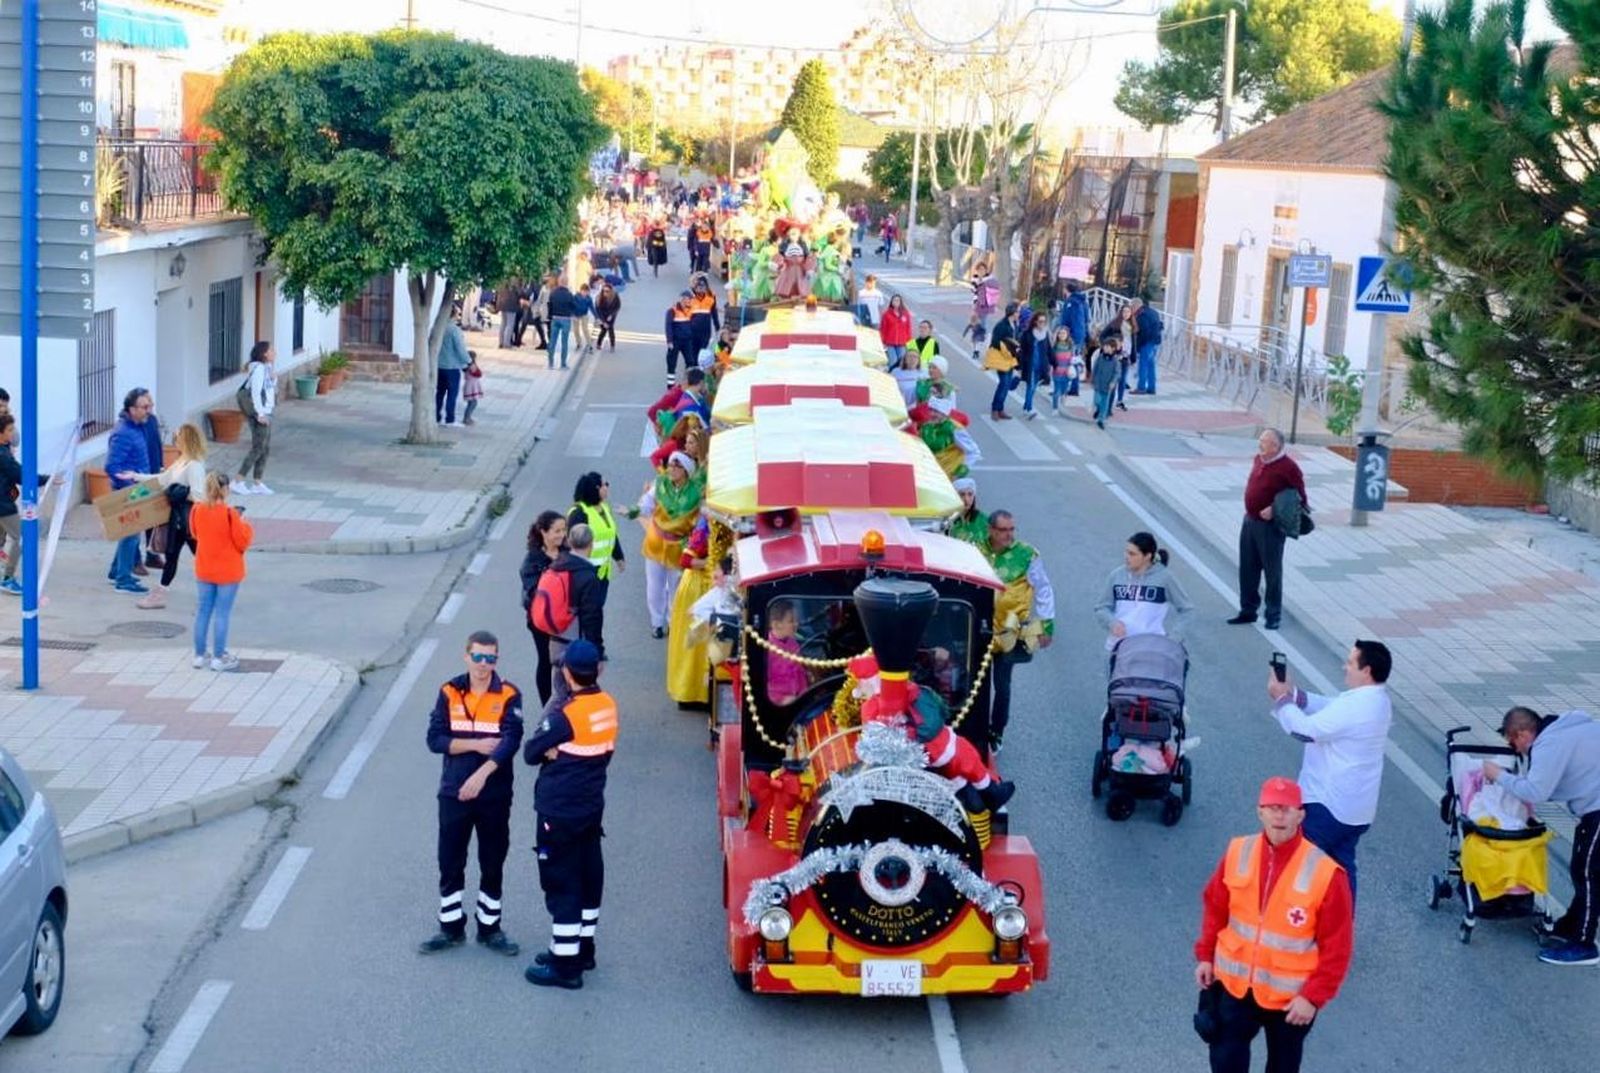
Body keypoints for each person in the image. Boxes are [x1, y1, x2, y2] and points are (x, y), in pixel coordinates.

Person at [1194, 776, 1353, 1073]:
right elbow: (1215, 906)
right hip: (1235, 987)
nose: (1279, 815)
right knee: (1225, 1062)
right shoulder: (1238, 851)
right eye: (1272, 807)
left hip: (1290, 1000)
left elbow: (1338, 946)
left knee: (1283, 1066)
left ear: (1301, 814)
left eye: (1287, 808)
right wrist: (1206, 956)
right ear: (1260, 812)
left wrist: (1313, 998)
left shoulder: (1327, 873)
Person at [419, 630, 524, 958]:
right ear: (466, 656)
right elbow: (434, 739)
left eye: (490, 658)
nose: (483, 664)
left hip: (493, 794)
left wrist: (481, 774)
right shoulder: (449, 691)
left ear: (497, 660)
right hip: (454, 792)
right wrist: (475, 745)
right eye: (477, 657)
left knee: (492, 861)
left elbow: (511, 740)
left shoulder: (508, 694)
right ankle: (450, 928)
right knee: (450, 861)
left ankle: (490, 929)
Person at [521, 638, 616, 989]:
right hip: (590, 807)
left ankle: (565, 966)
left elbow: (531, 752)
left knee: (561, 883)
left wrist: (552, 751)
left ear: (567, 672)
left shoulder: (565, 715)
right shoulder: (607, 704)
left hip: (558, 810)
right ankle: (582, 950)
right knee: (589, 878)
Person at [1266, 640, 1394, 899]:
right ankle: (1342, 927)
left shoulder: (1357, 706)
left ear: (1367, 671)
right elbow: (1331, 708)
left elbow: (1305, 731)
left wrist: (1282, 700)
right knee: (1343, 869)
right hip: (1356, 811)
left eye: (1350, 662)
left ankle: (1292, 922)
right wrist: (1296, 696)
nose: (1344, 666)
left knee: (1298, 864)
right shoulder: (1377, 700)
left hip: (1328, 807)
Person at [1483, 706, 1600, 966]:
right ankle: (1571, 925)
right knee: (1582, 868)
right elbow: (1556, 781)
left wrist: (1498, 775)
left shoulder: (1550, 744)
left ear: (1522, 734)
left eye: (1513, 742)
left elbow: (1536, 791)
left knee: (1589, 874)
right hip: (1592, 806)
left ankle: (1584, 944)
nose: (1516, 749)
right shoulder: (1566, 727)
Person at [116, 422, 208, 611]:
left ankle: (211, 591)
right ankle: (162, 593)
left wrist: (178, 493)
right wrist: (135, 476)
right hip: (176, 518)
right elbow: (161, 479)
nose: (175, 441)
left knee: (198, 555)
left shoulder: (194, 465)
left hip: (188, 519)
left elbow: (199, 495)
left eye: (178, 437)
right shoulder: (182, 462)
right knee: (175, 555)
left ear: (187, 440)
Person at [984, 509, 1054, 751]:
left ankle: (997, 732)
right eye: (1003, 530)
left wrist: (1046, 623)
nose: (1009, 535)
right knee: (975, 684)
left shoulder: (1027, 554)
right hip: (979, 630)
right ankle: (973, 728)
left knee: (1002, 686)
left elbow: (1043, 588)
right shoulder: (975, 550)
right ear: (991, 530)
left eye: (1012, 529)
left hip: (1009, 633)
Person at [1229, 428, 1308, 630]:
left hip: (1270, 528)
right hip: (1250, 521)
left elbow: (1300, 499)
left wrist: (1274, 509)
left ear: (1276, 446)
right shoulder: (1259, 459)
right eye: (1260, 440)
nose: (1260, 444)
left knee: (1272, 573)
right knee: (1247, 568)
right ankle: (1248, 610)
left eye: (1264, 441)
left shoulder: (1289, 468)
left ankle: (1273, 615)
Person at [188, 471, 253, 672]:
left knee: (203, 611)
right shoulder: (229, 513)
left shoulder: (196, 510)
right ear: (225, 490)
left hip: (204, 567)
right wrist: (245, 524)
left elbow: (195, 534)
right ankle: (218, 657)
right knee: (222, 614)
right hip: (228, 570)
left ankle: (199, 655)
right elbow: (242, 541)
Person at [638, 452, 704, 640]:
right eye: (670, 465)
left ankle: (673, 621)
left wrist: (694, 542)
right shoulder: (660, 483)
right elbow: (646, 503)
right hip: (656, 542)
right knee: (655, 586)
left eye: (677, 466)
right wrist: (637, 511)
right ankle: (657, 623)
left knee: (675, 586)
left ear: (686, 471)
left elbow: (699, 520)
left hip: (679, 544)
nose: (672, 469)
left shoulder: (695, 493)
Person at [1095, 532, 1193, 651]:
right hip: (1118, 649)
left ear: (1147, 556)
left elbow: (1187, 610)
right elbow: (1102, 607)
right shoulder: (1117, 576)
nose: (1126, 556)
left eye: (1132, 554)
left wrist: (1174, 638)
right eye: (1126, 551)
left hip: (1151, 650)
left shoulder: (1165, 578)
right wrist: (1112, 623)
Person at [545, 524, 608, 697]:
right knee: (578, 694)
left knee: (558, 691)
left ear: (569, 542)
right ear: (591, 544)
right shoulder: (587, 576)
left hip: (555, 639)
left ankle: (548, 721)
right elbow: (592, 617)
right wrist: (598, 652)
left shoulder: (557, 565)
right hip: (577, 645)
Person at [105, 388, 155, 594]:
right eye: (144, 407)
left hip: (138, 488)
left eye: (150, 406)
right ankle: (123, 579)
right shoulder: (124, 433)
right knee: (131, 536)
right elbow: (111, 466)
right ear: (132, 409)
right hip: (129, 491)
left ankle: (117, 571)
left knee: (129, 534)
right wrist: (131, 488)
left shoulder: (136, 427)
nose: (149, 411)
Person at [520, 511, 567, 707]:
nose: (561, 535)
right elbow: (532, 592)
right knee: (546, 660)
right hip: (542, 621)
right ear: (543, 532)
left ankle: (566, 701)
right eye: (556, 531)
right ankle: (547, 707)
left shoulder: (566, 552)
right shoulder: (533, 560)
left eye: (563, 530)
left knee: (566, 661)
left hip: (565, 619)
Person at [568, 472, 624, 605]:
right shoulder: (579, 513)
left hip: (603, 572)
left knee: (597, 609)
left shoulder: (604, 507)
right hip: (585, 572)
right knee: (588, 611)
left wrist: (619, 557)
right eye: (605, 484)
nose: (607, 487)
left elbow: (611, 534)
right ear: (596, 488)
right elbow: (573, 545)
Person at [988, 303, 1021, 421]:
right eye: (1018, 311)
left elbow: (1016, 339)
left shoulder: (1015, 325)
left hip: (1011, 358)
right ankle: (995, 409)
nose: (1019, 314)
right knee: (1004, 383)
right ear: (1012, 312)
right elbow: (995, 342)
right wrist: (1007, 346)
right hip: (1002, 358)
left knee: (1006, 385)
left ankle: (1000, 408)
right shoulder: (1001, 325)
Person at [435, 319, 470, 426]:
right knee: (452, 394)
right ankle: (450, 419)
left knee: (439, 393)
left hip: (439, 365)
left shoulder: (437, 327)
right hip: (452, 367)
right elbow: (460, 349)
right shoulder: (454, 330)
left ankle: (436, 417)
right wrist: (468, 361)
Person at [0, 416, 20, 596]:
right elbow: (18, 473)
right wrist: (47, 479)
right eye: (10, 430)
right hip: (3, 504)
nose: (13, 433)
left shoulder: (5, 450)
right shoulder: (3, 454)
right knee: (21, 537)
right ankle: (8, 578)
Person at [1021, 308, 1050, 419]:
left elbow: (1049, 350)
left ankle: (1026, 407)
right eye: (1040, 321)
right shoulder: (1027, 334)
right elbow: (1023, 351)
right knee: (1031, 386)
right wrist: (1020, 366)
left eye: (1044, 321)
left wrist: (1054, 362)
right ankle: (1029, 408)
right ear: (1035, 322)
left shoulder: (1045, 335)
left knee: (1033, 387)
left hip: (1041, 366)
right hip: (1030, 365)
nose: (1042, 324)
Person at [1131, 297, 1163, 395]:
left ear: (1136, 306)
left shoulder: (1141, 316)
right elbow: (1160, 325)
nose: (1131, 309)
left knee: (1143, 365)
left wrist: (1139, 346)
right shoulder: (1153, 312)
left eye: (1132, 307)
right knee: (1151, 365)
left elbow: (1144, 332)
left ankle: (1141, 387)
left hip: (1147, 342)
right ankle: (1151, 388)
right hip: (1155, 341)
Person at [664, 291, 697, 387]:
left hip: (687, 341)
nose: (689, 301)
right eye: (687, 299)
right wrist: (669, 341)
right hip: (675, 341)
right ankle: (670, 386)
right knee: (671, 363)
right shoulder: (672, 311)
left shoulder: (690, 310)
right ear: (682, 299)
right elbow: (668, 326)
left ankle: (688, 383)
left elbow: (692, 324)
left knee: (690, 362)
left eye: (690, 300)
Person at [1089, 333, 1122, 429]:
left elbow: (1117, 373)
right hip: (1098, 383)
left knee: (1105, 402)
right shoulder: (1100, 358)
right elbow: (1095, 368)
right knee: (1097, 400)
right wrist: (1093, 379)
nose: (1105, 349)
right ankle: (1098, 410)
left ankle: (1101, 419)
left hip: (1108, 385)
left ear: (1113, 349)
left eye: (1108, 347)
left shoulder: (1115, 361)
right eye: (1104, 346)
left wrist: (1113, 382)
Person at [545, 274, 575, 371]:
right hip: (566, 319)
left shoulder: (553, 293)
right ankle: (563, 364)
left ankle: (550, 363)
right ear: (566, 282)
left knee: (552, 341)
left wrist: (549, 317)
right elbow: (573, 306)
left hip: (555, 318)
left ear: (559, 282)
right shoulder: (569, 294)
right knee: (564, 342)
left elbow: (549, 305)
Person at [1048, 326, 1080, 414]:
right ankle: (1055, 408)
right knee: (1056, 390)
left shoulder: (1071, 345)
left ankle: (1063, 397)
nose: (1061, 335)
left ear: (1067, 335)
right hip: (1057, 371)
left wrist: (1074, 361)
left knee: (1064, 389)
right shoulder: (1054, 346)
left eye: (1064, 333)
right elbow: (1051, 358)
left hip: (1067, 371)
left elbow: (1074, 357)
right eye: (1060, 333)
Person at [688, 275, 720, 360]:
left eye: (703, 286)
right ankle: (692, 367)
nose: (701, 289)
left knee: (702, 350)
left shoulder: (711, 297)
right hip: (692, 330)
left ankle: (699, 367)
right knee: (693, 349)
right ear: (694, 287)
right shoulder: (690, 298)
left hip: (705, 330)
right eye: (698, 286)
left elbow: (714, 312)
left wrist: (717, 326)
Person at [948, 477, 986, 548]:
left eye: (970, 494)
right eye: (962, 494)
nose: (966, 499)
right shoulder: (947, 521)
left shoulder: (983, 519)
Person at [879, 293, 912, 369]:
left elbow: (908, 327)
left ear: (901, 302)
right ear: (892, 302)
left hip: (902, 343)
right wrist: (882, 341)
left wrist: (908, 339)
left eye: (898, 300)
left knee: (901, 362)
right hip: (890, 343)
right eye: (895, 300)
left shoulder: (905, 314)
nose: (896, 302)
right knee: (893, 362)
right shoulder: (886, 314)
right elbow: (882, 329)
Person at [1057, 280, 1088, 351]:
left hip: (1070, 336)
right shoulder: (1083, 302)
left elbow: (1065, 320)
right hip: (1081, 335)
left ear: (1066, 290)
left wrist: (1062, 333)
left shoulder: (1069, 302)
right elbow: (1087, 319)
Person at [594, 281, 621, 352]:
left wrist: (612, 315)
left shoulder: (615, 296)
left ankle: (612, 346)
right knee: (603, 330)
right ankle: (598, 344)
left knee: (611, 330)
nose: (605, 293)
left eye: (607, 291)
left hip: (611, 315)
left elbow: (617, 307)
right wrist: (603, 321)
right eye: (604, 291)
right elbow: (598, 310)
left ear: (611, 291)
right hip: (602, 315)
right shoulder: (599, 298)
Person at [461, 351, 484, 426]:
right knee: (473, 403)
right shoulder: (472, 366)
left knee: (471, 403)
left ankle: (468, 417)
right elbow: (479, 374)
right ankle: (466, 418)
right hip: (472, 386)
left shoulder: (465, 365)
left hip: (470, 385)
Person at [572, 282, 595, 355]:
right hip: (576, 315)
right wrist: (572, 315)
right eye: (584, 291)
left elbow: (592, 308)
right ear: (581, 290)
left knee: (585, 329)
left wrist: (597, 317)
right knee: (576, 330)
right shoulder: (576, 296)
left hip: (584, 314)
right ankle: (579, 343)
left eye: (586, 292)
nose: (585, 293)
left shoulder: (589, 298)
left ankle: (590, 345)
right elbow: (571, 306)